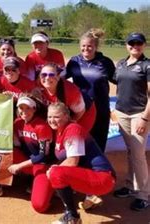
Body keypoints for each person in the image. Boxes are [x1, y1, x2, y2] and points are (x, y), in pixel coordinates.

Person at [0, 96, 53, 214]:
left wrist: (19, 166)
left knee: (40, 206)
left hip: (42, 165)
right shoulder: (18, 123)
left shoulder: (42, 127)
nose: (24, 111)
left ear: (34, 109)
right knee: (0, 149)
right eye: (21, 108)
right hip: (27, 161)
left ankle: (49, 186)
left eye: (28, 108)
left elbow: (43, 156)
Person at [46, 102, 115, 224]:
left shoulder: (73, 129)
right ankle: (79, 206)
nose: (52, 120)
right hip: (92, 175)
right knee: (56, 172)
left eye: (56, 116)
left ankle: (73, 216)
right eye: (49, 117)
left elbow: (73, 161)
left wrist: (53, 171)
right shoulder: (60, 130)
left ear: (67, 116)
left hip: (104, 178)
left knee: (56, 173)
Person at [111, 32, 150, 211]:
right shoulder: (121, 64)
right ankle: (130, 185)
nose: (135, 46)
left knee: (138, 155)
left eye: (139, 43)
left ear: (144, 45)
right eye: (132, 43)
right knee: (130, 151)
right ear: (126, 44)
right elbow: (117, 85)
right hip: (122, 113)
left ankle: (143, 194)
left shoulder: (147, 65)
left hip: (139, 115)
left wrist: (144, 117)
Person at [66, 29, 115, 153]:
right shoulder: (74, 62)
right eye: (83, 46)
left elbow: (118, 80)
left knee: (98, 145)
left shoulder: (105, 62)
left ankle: (98, 171)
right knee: (79, 144)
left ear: (96, 47)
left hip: (100, 109)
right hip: (80, 110)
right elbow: (60, 78)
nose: (86, 49)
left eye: (89, 46)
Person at [39, 63, 96, 133]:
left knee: (72, 135)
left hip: (83, 113)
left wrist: (66, 126)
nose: (47, 78)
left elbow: (80, 112)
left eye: (51, 75)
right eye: (43, 75)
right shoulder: (37, 85)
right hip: (61, 114)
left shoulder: (70, 91)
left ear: (58, 76)